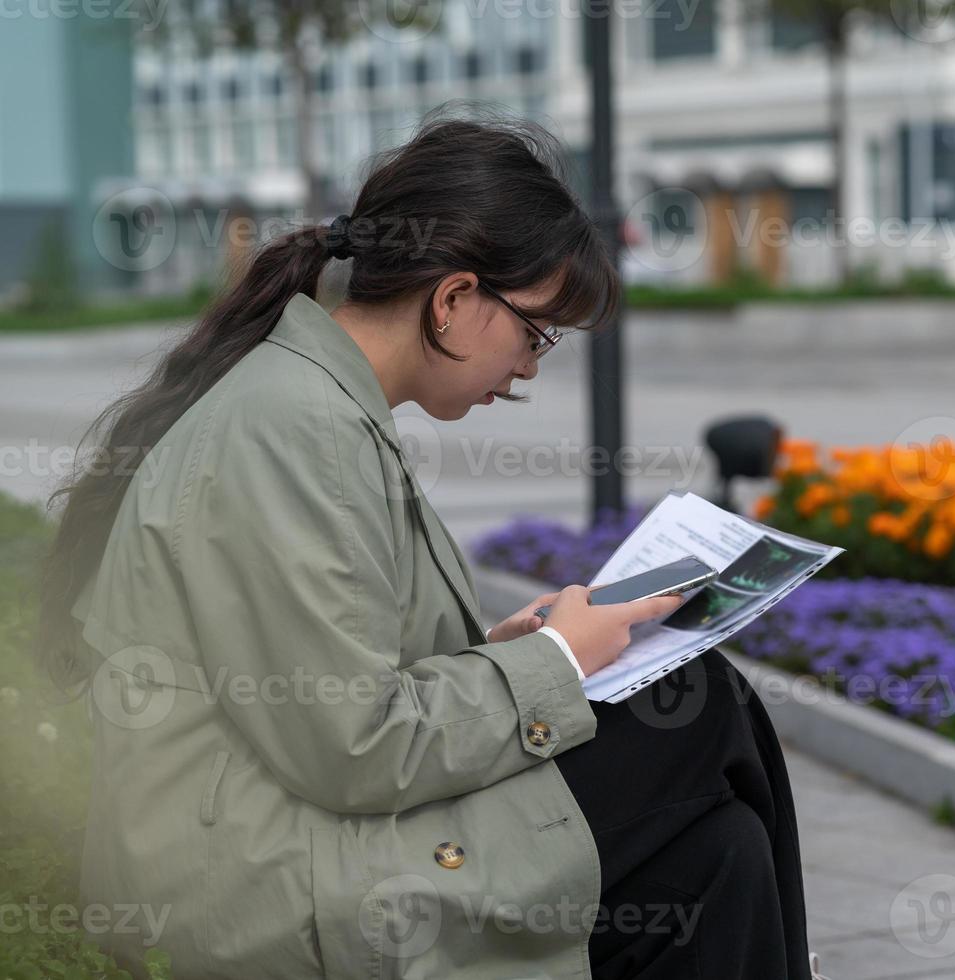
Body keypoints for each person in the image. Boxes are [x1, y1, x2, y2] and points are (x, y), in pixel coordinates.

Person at [35, 107, 817, 979]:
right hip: (265, 874)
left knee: (722, 857)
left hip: (301, 821)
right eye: (535, 331)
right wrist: (555, 662)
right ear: (453, 299)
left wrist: (504, 652)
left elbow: (330, 676)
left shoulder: (318, 408)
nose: (529, 366)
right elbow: (353, 748)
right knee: (705, 705)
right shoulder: (295, 430)